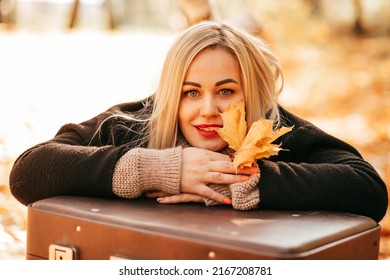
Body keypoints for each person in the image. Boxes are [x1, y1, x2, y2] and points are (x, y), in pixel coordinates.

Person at [9, 21, 388, 222]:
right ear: (172, 93)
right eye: (191, 92)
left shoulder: (274, 127)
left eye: (226, 91)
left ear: (252, 93)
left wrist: (244, 182)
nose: (207, 109)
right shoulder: (135, 121)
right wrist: (152, 170)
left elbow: (368, 189)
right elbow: (28, 172)